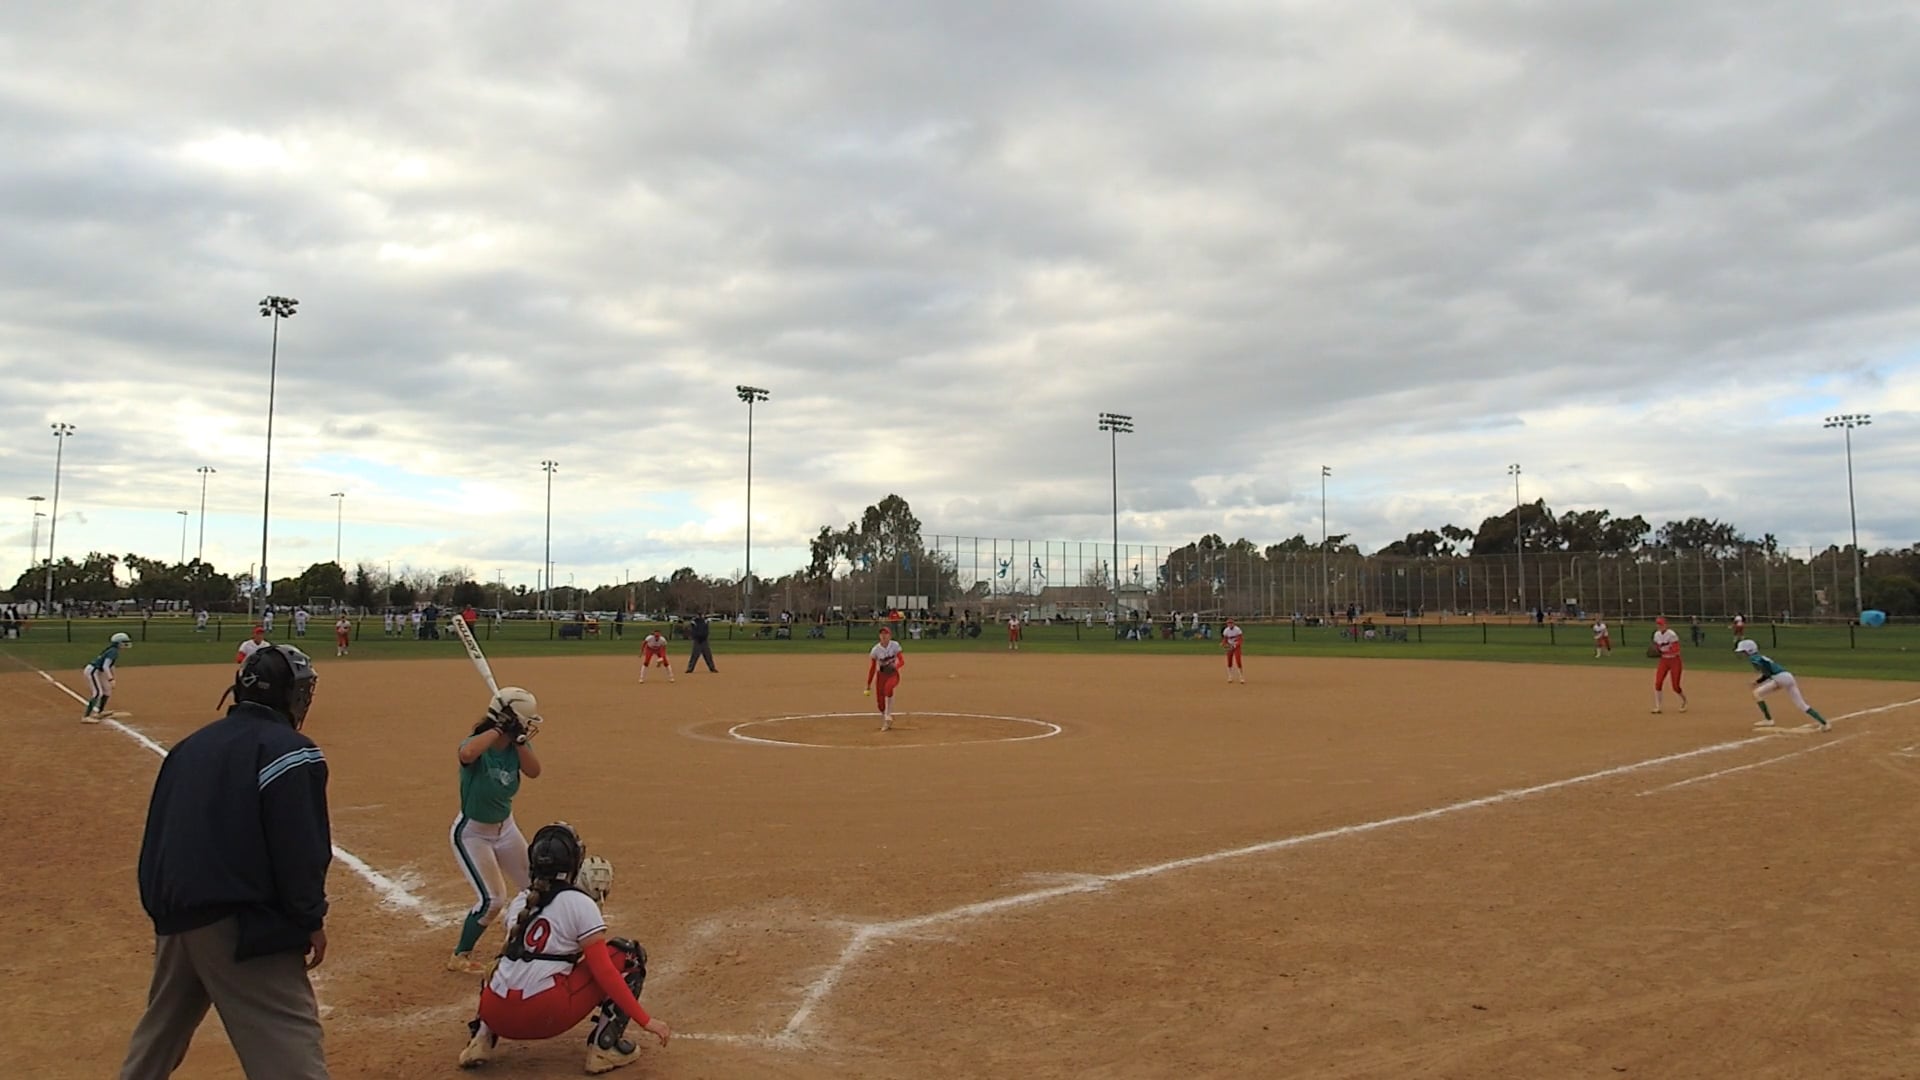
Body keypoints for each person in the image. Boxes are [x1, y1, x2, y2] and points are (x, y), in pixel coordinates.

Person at [119, 645, 331, 1080]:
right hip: (242, 924)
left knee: (156, 1044)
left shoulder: (187, 747)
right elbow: (299, 846)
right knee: (289, 1045)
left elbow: (160, 832)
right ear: (290, 694)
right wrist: (309, 918)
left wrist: (166, 915)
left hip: (176, 917)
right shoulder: (290, 750)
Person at [457, 823, 670, 1073]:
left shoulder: (522, 901)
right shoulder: (579, 903)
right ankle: (605, 1048)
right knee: (628, 954)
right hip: (544, 1016)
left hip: (495, 1013)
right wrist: (646, 1021)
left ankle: (481, 1037)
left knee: (502, 962)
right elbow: (604, 972)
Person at [449, 687, 546, 974]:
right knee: (493, 900)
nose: (528, 728)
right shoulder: (479, 745)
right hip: (473, 833)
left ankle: (520, 934)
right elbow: (466, 753)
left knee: (537, 887)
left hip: (506, 829)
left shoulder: (516, 747)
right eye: (525, 722)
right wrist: (498, 729)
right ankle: (460, 955)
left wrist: (517, 740)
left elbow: (534, 771)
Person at [1735, 639, 1830, 731]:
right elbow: (1768, 671)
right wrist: (1758, 681)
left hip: (1780, 679)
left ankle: (1769, 720)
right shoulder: (1760, 657)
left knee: (1757, 693)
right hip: (1787, 677)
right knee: (1801, 704)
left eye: (1743, 651)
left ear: (1749, 650)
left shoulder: (1754, 659)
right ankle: (1824, 723)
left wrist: (1757, 682)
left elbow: (1767, 673)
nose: (1743, 654)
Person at [82, 630, 132, 722]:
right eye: (124, 642)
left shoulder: (113, 651)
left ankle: (100, 712)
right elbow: (105, 666)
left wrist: (113, 677)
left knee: (107, 690)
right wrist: (110, 679)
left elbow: (110, 666)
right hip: (93, 671)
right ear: (118, 643)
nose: (126, 644)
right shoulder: (113, 651)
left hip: (98, 671)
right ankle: (86, 717)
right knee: (98, 693)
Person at [864, 625, 907, 732]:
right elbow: (872, 668)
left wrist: (896, 666)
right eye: (882, 634)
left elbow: (902, 661)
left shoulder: (895, 645)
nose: (883, 636)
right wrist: (868, 684)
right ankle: (886, 720)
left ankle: (888, 715)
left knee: (888, 688)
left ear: (890, 635)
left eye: (886, 633)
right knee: (880, 702)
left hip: (893, 674)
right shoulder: (875, 650)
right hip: (881, 676)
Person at [1650, 616, 1688, 714]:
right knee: (1658, 682)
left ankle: (1684, 701)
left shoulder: (1672, 635)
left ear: (1666, 625)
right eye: (1658, 624)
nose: (1660, 626)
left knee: (1675, 686)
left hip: (1675, 660)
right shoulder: (1656, 635)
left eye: (1661, 624)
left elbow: (1676, 650)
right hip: (1664, 661)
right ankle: (1658, 707)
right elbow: (1656, 646)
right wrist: (1656, 651)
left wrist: (1662, 652)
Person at [1221, 617, 1245, 683]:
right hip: (1229, 647)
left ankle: (1241, 677)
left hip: (1236, 647)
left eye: (1231, 623)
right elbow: (1225, 639)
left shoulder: (1237, 630)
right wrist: (1223, 643)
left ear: (1233, 623)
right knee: (1229, 661)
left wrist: (1235, 646)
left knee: (1238, 661)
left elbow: (1240, 640)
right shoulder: (1226, 630)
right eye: (1228, 623)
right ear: (1227, 624)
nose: (1230, 624)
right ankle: (1230, 677)